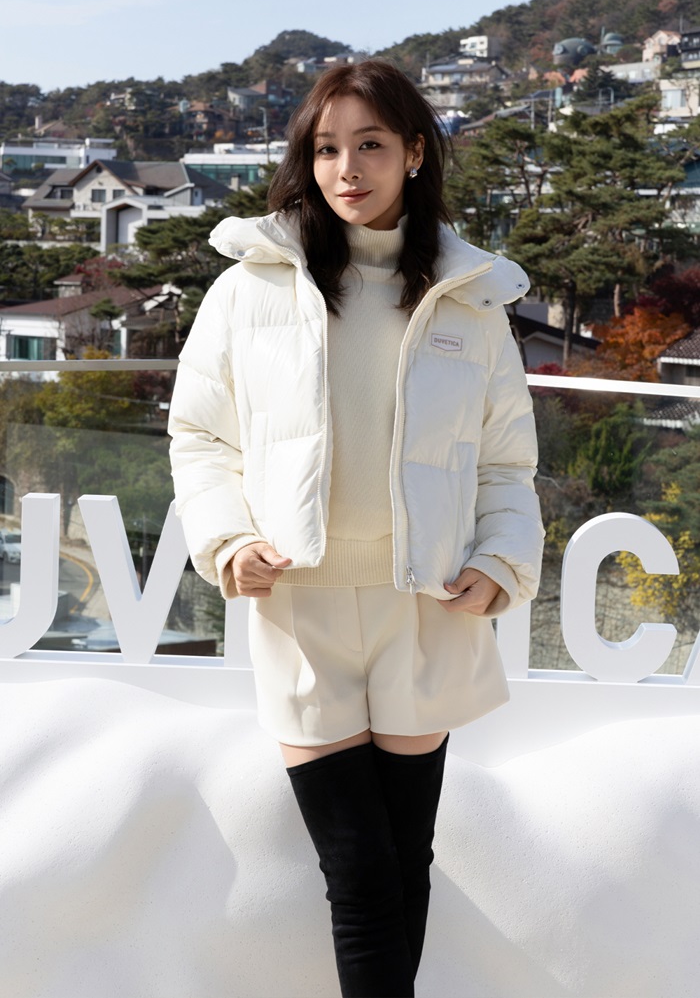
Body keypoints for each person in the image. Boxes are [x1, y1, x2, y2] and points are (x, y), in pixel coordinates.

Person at [168, 59, 544, 998]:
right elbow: (200, 435)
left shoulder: (468, 296)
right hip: (304, 612)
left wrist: (503, 557)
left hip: (428, 608)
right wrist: (226, 540)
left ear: (414, 153)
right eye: (326, 148)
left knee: (405, 859)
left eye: (370, 144)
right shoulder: (250, 287)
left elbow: (506, 460)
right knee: (361, 871)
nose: (347, 168)